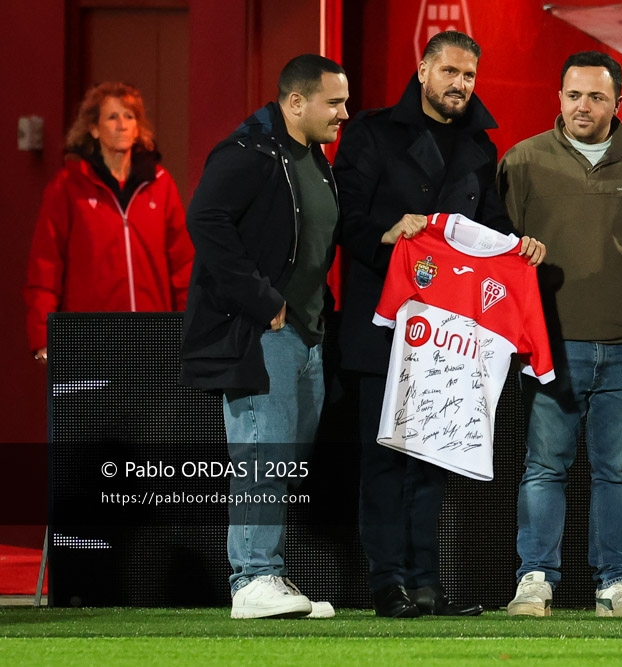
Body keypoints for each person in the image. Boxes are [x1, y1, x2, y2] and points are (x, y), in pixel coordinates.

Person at [333, 31, 544, 618]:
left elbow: (494, 227)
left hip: (449, 337)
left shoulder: (481, 145)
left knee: (432, 459)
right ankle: (387, 583)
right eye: (449, 71)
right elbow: (345, 221)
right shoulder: (370, 132)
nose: (459, 84)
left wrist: (518, 246)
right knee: (383, 459)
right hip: (382, 326)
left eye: (469, 76)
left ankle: (426, 581)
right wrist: (390, 229)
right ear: (422, 69)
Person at [498, 50, 622, 617]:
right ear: (558, 98)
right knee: (544, 466)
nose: (584, 106)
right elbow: (496, 256)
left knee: (617, 470)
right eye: (574, 94)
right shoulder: (522, 162)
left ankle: (615, 583)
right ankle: (535, 579)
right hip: (549, 346)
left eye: (597, 97)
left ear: (617, 103)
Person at [180, 54, 349, 619]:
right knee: (262, 454)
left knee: (281, 460)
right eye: (334, 102)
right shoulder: (248, 151)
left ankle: (265, 572)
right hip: (262, 332)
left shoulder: (312, 157)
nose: (344, 113)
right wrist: (261, 299)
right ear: (295, 102)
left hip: (306, 335)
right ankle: (253, 579)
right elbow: (204, 218)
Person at [24, 81, 192, 363]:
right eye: (112, 117)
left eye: (129, 117)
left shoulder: (160, 184)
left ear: (138, 127)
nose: (122, 125)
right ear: (93, 128)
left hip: (154, 338)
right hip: (90, 339)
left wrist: (192, 327)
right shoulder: (68, 187)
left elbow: (184, 265)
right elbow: (46, 265)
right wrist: (43, 337)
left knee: (150, 409)